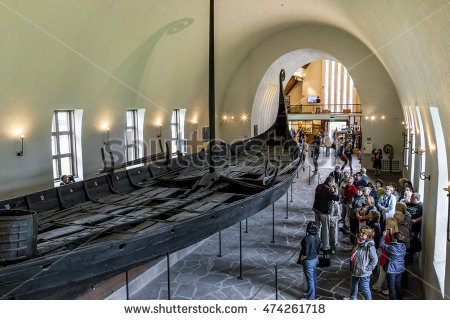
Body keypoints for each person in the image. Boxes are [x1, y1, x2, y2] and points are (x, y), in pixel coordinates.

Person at [345, 226, 378, 300]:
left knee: (365, 288)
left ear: (368, 235)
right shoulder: (358, 241)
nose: (361, 234)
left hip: (364, 272)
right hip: (355, 268)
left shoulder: (370, 246)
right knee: (353, 284)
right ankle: (352, 297)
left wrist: (367, 268)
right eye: (361, 232)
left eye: (364, 233)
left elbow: (374, 260)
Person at [312, 176, 340, 251]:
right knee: (325, 230)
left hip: (316, 210)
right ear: (329, 182)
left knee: (317, 228)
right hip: (324, 212)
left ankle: (317, 244)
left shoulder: (319, 186)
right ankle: (326, 246)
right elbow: (337, 198)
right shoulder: (328, 189)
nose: (333, 184)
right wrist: (336, 190)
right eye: (333, 182)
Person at [372, 217, 398, 295]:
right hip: (389, 256)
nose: (385, 224)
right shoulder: (396, 233)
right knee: (387, 273)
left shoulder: (388, 234)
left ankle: (379, 286)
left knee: (383, 272)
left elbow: (381, 244)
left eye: (387, 223)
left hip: (386, 255)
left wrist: (383, 235)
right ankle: (381, 286)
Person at [297, 221, 321, 300]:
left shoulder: (307, 238)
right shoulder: (318, 237)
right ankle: (312, 292)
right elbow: (318, 251)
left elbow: (305, 253)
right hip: (315, 259)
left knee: (309, 279)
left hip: (308, 261)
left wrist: (301, 258)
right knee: (313, 277)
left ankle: (311, 298)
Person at [379, 231, 407, 300]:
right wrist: (391, 235)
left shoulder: (392, 248)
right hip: (400, 269)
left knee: (391, 288)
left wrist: (383, 235)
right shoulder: (403, 246)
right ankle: (400, 299)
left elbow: (381, 244)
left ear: (395, 240)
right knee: (398, 285)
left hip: (392, 270)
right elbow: (394, 243)